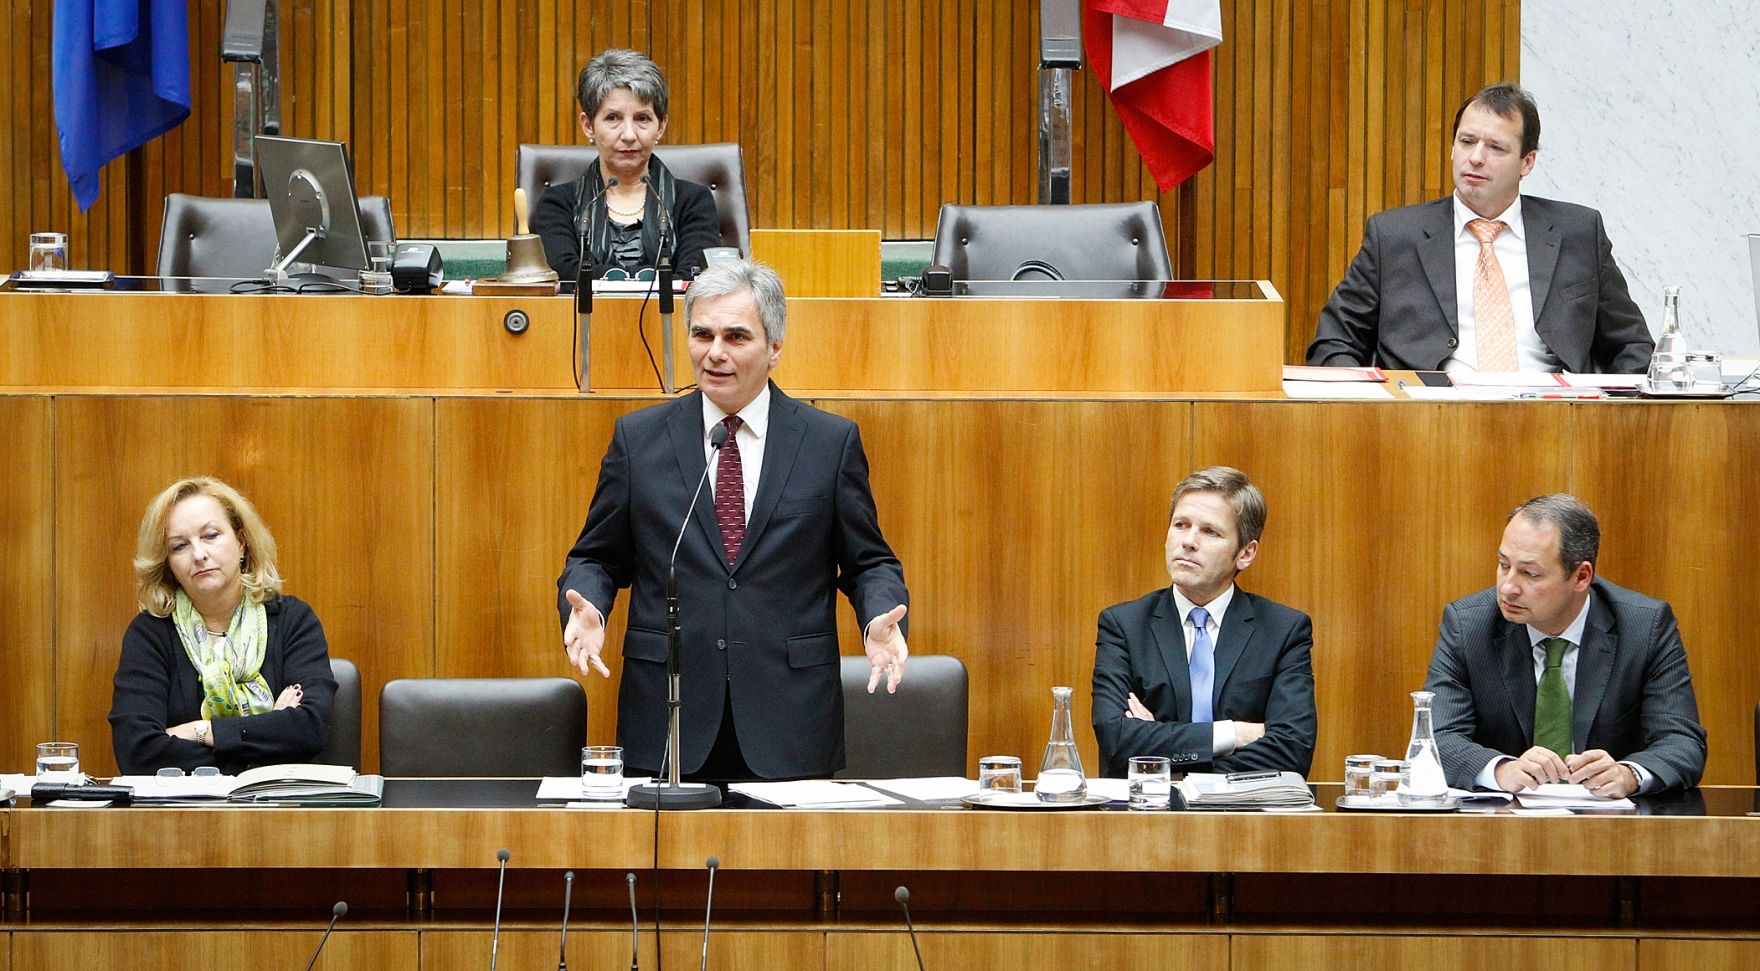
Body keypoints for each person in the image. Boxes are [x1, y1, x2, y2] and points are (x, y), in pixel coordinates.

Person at [556, 258, 909, 781]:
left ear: (775, 347)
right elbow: (597, 557)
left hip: (789, 717)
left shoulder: (828, 443)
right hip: (669, 715)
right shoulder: (640, 439)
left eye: (736, 336)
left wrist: (878, 616)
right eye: (702, 334)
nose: (714, 353)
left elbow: (868, 562)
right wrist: (591, 608)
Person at [1306, 82, 1652, 374]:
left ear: (1526, 162)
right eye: (1467, 141)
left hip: (1553, 423)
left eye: (1496, 147)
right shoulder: (1394, 236)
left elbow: (1632, 345)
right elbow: (1334, 342)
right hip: (1428, 424)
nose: (1475, 158)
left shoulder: (1577, 232)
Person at [1423, 494, 1706, 796]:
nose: (1508, 587)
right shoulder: (1468, 626)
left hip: (1611, 829)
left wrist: (1628, 775)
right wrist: (1503, 770)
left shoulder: (1644, 627)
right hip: (1500, 827)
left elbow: (1682, 742)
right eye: (1504, 565)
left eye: (1530, 574)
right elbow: (1437, 737)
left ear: (1581, 576)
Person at [1091, 467, 1316, 778]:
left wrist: (1162, 748)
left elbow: (1292, 750)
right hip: (1147, 813)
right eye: (1181, 525)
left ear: (1245, 553)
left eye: (1210, 531)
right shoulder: (1124, 625)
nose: (1188, 541)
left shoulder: (1283, 630)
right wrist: (1233, 734)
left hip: (1245, 819)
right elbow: (1117, 741)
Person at [109, 477, 336, 774]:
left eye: (211, 535)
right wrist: (267, 740)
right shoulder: (151, 633)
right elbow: (137, 752)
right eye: (179, 546)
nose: (199, 554)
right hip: (182, 813)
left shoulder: (293, 620)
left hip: (280, 810)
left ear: (241, 541)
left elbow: (309, 728)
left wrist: (197, 731)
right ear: (169, 566)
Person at [532, 48, 721, 281]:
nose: (629, 134)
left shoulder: (694, 202)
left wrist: (611, 279)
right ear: (588, 125)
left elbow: (694, 280)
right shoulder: (557, 204)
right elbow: (565, 276)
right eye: (613, 118)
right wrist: (648, 279)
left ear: (660, 126)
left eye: (642, 118)